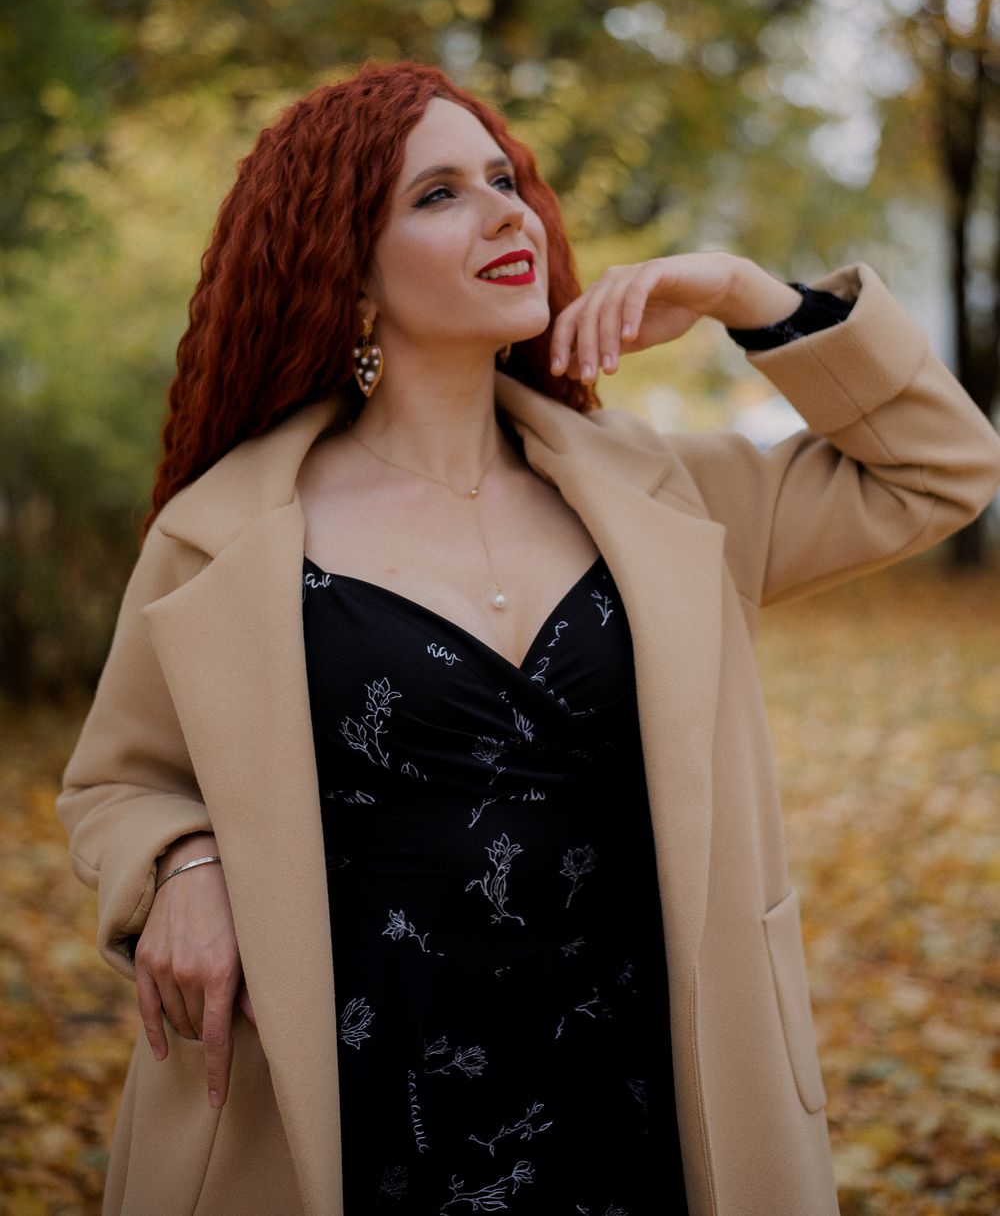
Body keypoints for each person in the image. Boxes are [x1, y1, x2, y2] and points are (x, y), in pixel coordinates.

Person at [56, 59, 1000, 1216]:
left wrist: (742, 294)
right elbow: (118, 781)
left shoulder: (663, 491)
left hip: (647, 1087)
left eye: (504, 180)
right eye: (438, 194)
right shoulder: (227, 534)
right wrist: (183, 864)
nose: (506, 212)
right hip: (354, 1097)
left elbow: (939, 469)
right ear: (347, 268)